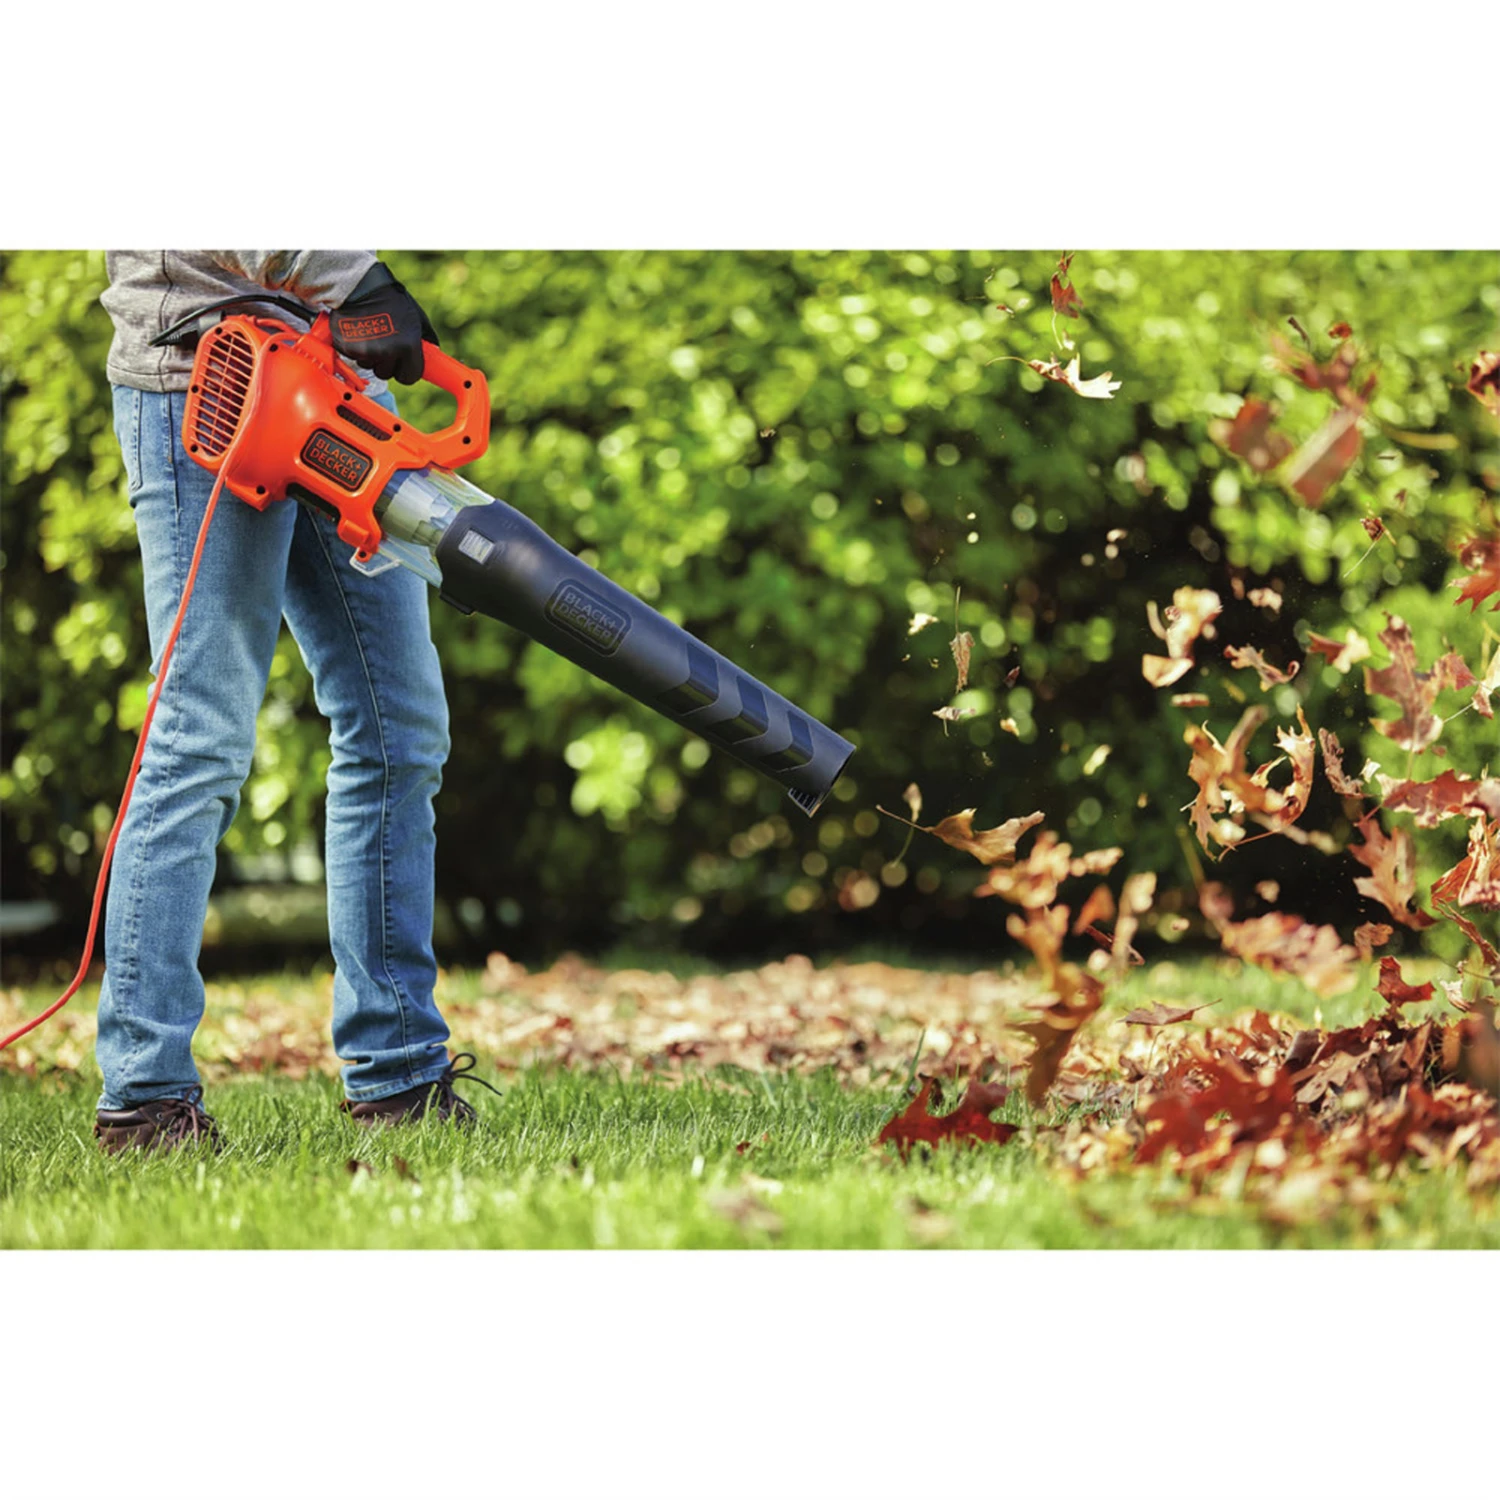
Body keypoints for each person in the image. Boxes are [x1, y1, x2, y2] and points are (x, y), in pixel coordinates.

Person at [92, 251, 493, 1152]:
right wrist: (355, 277)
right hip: (208, 377)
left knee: (400, 728)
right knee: (198, 736)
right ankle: (145, 1095)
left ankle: (398, 1071)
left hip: (336, 385)